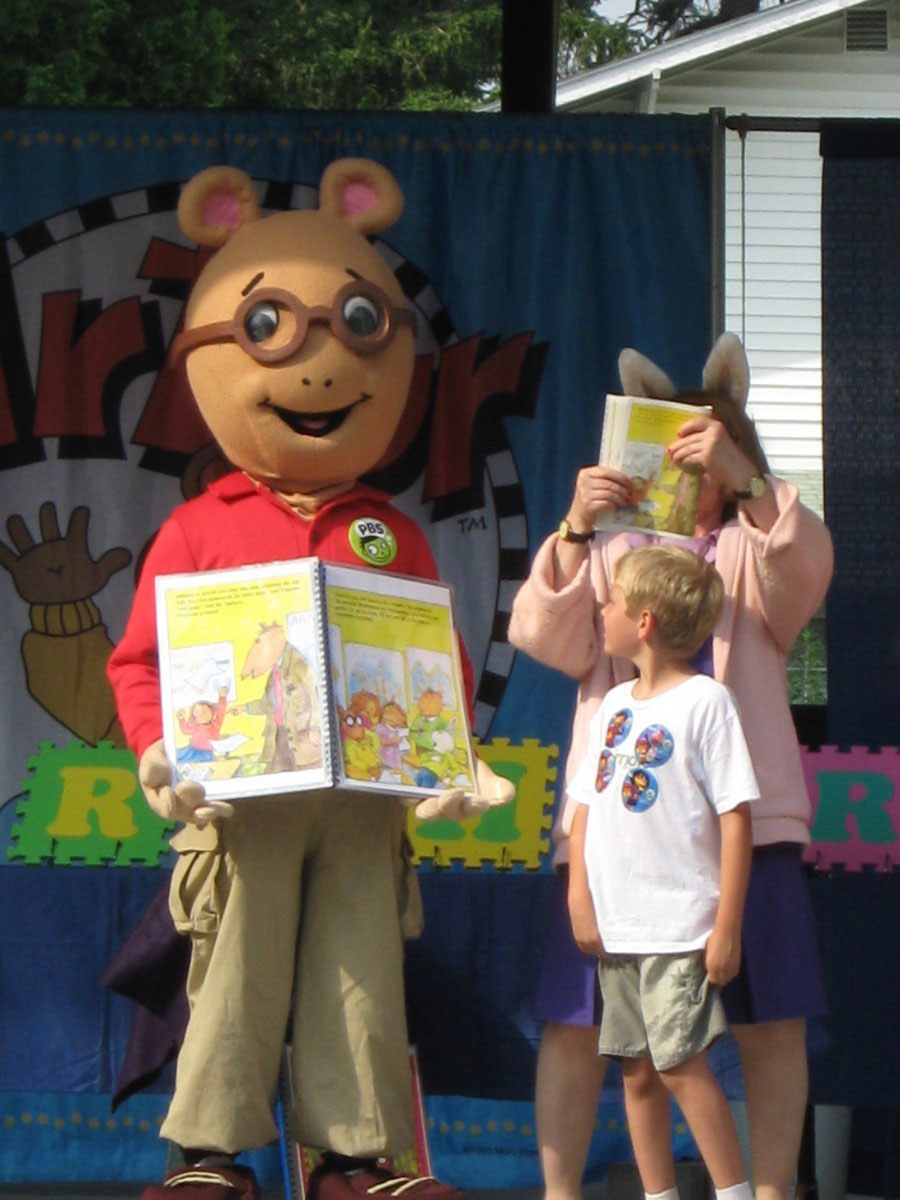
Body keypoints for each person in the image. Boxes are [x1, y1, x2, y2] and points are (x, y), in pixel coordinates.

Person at [508, 332, 833, 1200]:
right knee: (582, 1023)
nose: (691, 462)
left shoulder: (755, 542)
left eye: (708, 448)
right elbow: (543, 634)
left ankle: (768, 1191)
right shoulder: (616, 553)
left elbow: (806, 572)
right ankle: (562, 1193)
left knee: (769, 1018)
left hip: (748, 831)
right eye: (675, 444)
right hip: (615, 842)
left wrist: (750, 482)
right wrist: (577, 526)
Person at [567, 543, 756, 1200]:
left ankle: (734, 1193)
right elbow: (585, 809)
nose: (602, 610)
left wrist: (726, 926)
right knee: (637, 1071)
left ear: (644, 621)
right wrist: (579, 895)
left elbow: (737, 818)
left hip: (679, 925)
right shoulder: (614, 704)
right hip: (618, 926)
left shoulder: (707, 702)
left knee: (680, 1065)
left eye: (613, 601)